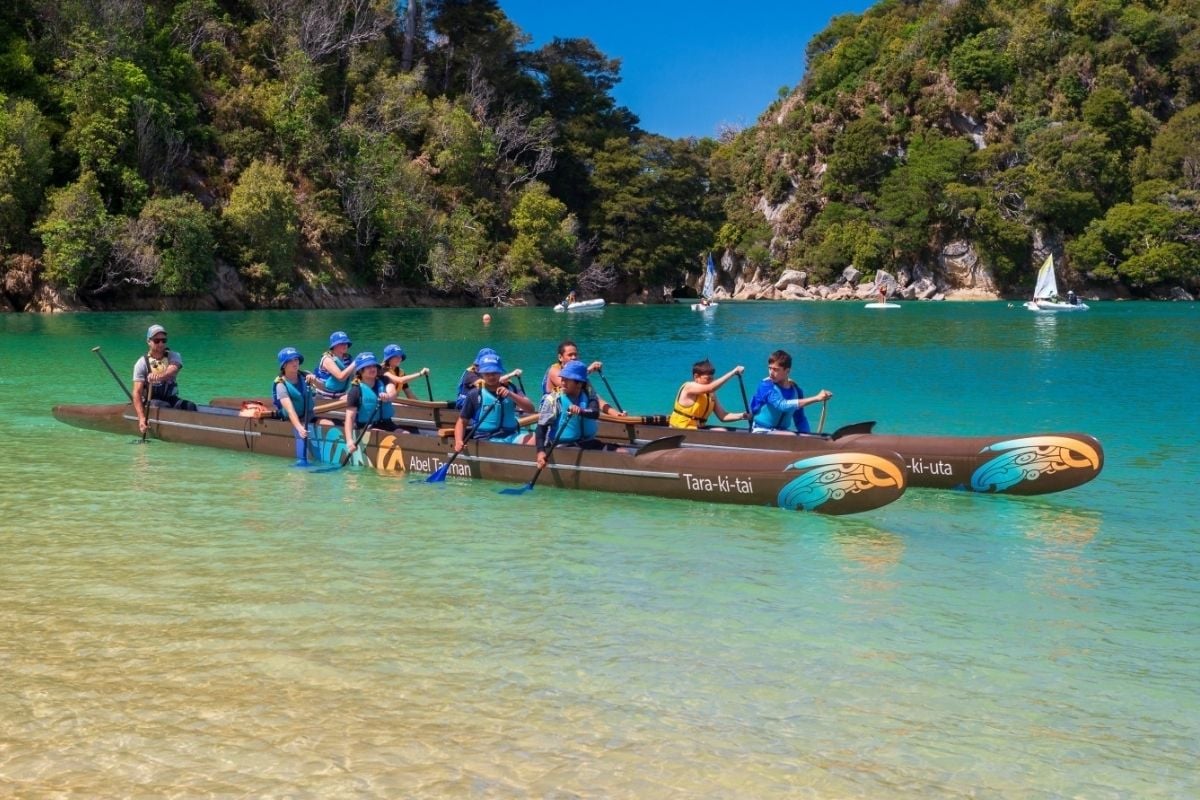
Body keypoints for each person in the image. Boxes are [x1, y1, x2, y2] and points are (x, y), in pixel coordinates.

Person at [536, 360, 608, 468]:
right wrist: (540, 452)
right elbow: (541, 428)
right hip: (563, 446)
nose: (563, 383)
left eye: (567, 380)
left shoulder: (588, 395)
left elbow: (595, 413)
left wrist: (581, 411)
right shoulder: (553, 399)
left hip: (586, 442)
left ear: (579, 383)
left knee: (622, 451)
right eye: (562, 379)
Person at [454, 353, 535, 449]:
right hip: (487, 440)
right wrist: (458, 441)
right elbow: (462, 422)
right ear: (481, 374)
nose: (491, 377)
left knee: (537, 439)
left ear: (500, 372)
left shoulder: (512, 388)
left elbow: (530, 409)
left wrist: (510, 394)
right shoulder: (474, 394)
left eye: (494, 373)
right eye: (487, 374)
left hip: (512, 437)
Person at [749, 350, 832, 435]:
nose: (771, 373)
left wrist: (807, 436)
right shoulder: (765, 386)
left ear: (787, 371)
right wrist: (816, 398)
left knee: (803, 436)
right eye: (770, 368)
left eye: (775, 369)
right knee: (791, 435)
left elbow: (800, 419)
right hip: (761, 430)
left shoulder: (796, 391)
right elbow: (782, 405)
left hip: (781, 432)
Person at [132, 324, 196, 435]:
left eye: (163, 340)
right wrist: (141, 418)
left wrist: (159, 376)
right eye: (157, 341)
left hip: (171, 399)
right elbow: (137, 392)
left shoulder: (174, 356)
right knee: (164, 407)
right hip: (151, 401)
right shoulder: (141, 363)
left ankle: (192, 433)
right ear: (149, 342)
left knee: (190, 406)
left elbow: (173, 369)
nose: (161, 343)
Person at [540, 340, 626, 417]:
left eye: (575, 354)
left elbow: (595, 397)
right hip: (551, 412)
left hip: (573, 411)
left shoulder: (580, 378)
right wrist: (588, 370)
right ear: (560, 357)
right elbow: (569, 384)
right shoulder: (554, 370)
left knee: (590, 395)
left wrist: (616, 414)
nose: (574, 357)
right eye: (570, 355)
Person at [343, 352, 399, 457]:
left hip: (387, 423)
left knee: (405, 434)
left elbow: (393, 393)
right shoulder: (355, 391)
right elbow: (349, 418)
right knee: (382, 434)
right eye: (368, 367)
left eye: (374, 366)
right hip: (365, 427)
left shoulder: (384, 380)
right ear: (360, 371)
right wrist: (350, 441)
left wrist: (388, 396)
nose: (372, 369)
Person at [667, 359, 749, 429]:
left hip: (697, 430)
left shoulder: (711, 394)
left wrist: (743, 415)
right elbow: (711, 387)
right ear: (696, 377)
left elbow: (723, 416)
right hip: (680, 429)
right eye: (708, 379)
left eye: (712, 378)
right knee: (721, 432)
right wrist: (733, 372)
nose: (711, 381)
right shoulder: (688, 386)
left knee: (721, 431)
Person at [272, 347, 317, 440]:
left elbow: (324, 387)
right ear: (284, 365)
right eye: (290, 361)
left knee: (329, 423)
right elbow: (290, 410)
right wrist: (299, 428)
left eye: (296, 360)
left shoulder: (306, 375)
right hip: (292, 421)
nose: (295, 363)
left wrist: (315, 380)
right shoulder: (281, 385)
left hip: (309, 417)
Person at [314, 331, 355, 398]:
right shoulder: (327, 359)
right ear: (334, 345)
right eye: (341, 343)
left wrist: (351, 393)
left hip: (342, 395)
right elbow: (341, 377)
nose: (345, 345)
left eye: (346, 343)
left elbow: (355, 377)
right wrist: (355, 363)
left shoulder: (348, 358)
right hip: (325, 397)